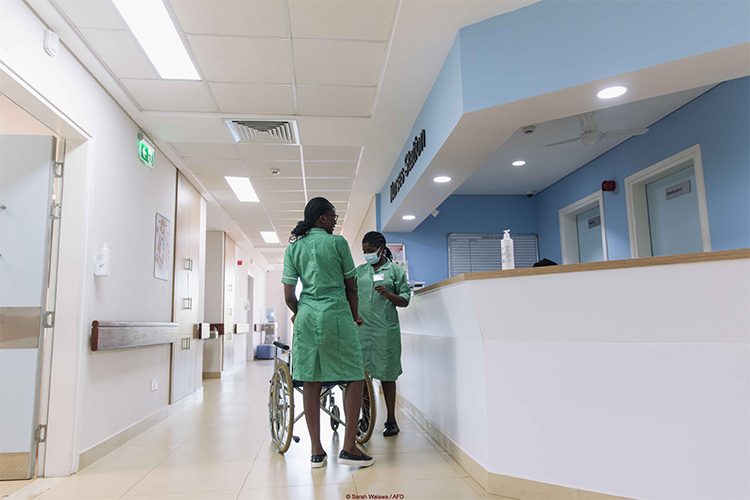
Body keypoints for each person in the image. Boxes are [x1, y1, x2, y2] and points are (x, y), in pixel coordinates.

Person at [281, 197, 374, 468]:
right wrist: (355, 315)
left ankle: (316, 452)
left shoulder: (294, 249)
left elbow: (288, 295)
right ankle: (348, 448)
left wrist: (301, 311)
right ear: (321, 218)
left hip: (308, 315)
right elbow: (351, 288)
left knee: (310, 381)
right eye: (333, 216)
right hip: (337, 314)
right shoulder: (338, 244)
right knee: (355, 376)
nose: (335, 220)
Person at [355, 231, 411, 437]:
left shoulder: (395, 271)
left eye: (370, 251)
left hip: (385, 331)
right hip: (362, 331)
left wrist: (389, 295)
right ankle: (365, 418)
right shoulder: (359, 272)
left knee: (388, 376)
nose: (367, 255)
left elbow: (405, 300)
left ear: (381, 248)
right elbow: (349, 294)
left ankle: (391, 420)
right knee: (361, 378)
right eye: (364, 251)